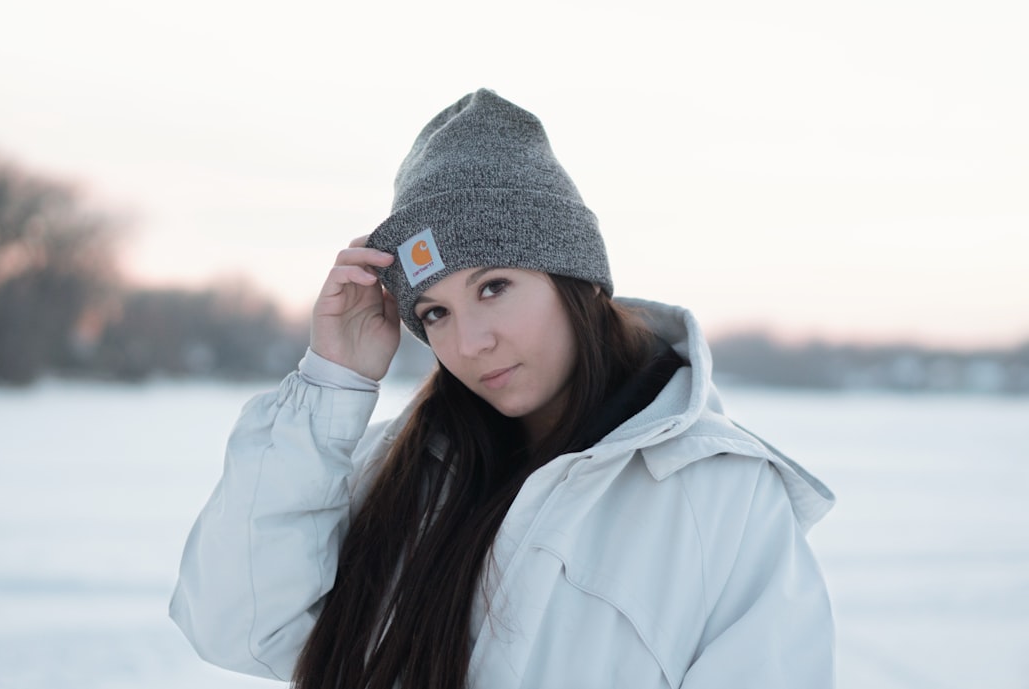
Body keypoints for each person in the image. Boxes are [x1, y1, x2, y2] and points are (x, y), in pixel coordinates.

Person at [169, 88, 836, 689]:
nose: (468, 343)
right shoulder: (397, 473)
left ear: (575, 279)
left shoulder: (720, 495)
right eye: (435, 313)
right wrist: (330, 380)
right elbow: (237, 625)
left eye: (493, 287)